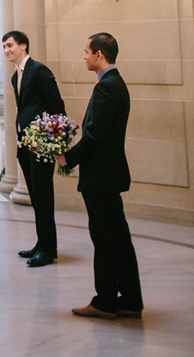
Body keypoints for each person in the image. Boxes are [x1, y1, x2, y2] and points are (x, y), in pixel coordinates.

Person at [56, 32, 144, 321]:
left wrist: (68, 158)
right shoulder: (113, 84)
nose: (83, 57)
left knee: (109, 239)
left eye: (86, 52)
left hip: (102, 176)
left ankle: (109, 301)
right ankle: (125, 299)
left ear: (99, 55)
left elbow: (95, 136)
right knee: (112, 239)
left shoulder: (107, 87)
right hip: (106, 174)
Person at [2, 30, 66, 267]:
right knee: (36, 198)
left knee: (43, 197)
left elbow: (57, 107)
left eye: (10, 45)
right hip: (25, 145)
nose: (7, 50)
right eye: (4, 47)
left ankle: (49, 250)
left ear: (24, 46)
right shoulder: (15, 76)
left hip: (41, 146)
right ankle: (42, 243)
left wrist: (53, 142)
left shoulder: (39, 70)